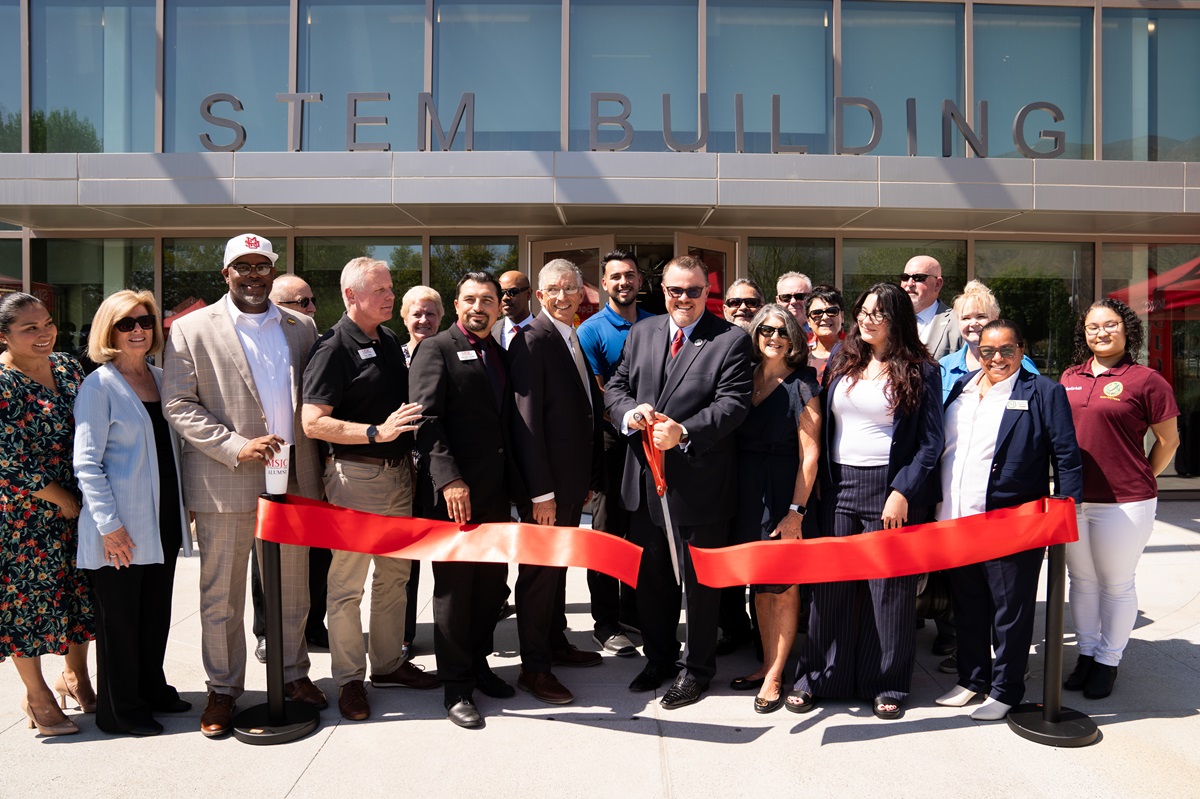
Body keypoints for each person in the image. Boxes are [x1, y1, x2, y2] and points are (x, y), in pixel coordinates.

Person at [163, 233, 326, 738]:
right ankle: (224, 690)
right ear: (225, 274)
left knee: (293, 591)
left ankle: (294, 674)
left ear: (272, 272)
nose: (253, 275)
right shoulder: (189, 329)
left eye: (262, 266)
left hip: (292, 477)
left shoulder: (301, 326)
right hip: (225, 478)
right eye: (243, 267)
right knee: (222, 596)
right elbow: (178, 403)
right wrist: (237, 445)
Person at [604, 254, 753, 709]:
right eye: (674, 290)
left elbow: (734, 404)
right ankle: (660, 658)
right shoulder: (643, 331)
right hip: (646, 483)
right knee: (652, 582)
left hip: (699, 484)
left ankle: (698, 670)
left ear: (706, 293)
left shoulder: (729, 340)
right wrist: (630, 413)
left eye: (693, 291)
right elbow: (616, 386)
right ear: (662, 291)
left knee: (701, 586)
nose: (683, 299)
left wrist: (684, 432)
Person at [790, 282, 943, 720]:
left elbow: (931, 444)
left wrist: (902, 491)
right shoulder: (843, 359)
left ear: (898, 318)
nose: (867, 318)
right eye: (864, 311)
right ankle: (820, 677)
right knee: (831, 587)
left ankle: (887, 682)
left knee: (888, 592)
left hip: (889, 489)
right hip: (839, 487)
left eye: (879, 312)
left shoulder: (921, 369)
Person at [301, 258, 438, 722]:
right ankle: (348, 680)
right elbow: (313, 421)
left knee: (395, 577)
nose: (389, 295)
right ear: (350, 296)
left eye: (389, 287)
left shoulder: (389, 339)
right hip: (356, 480)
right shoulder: (333, 347)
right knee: (347, 586)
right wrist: (376, 432)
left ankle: (387, 664)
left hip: (400, 477)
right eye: (379, 289)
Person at [934, 320, 1082, 720]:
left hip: (1010, 522)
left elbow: (1065, 454)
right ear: (977, 351)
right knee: (967, 607)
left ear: (1022, 350)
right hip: (956, 518)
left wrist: (1066, 509)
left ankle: (1006, 689)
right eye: (987, 351)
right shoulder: (961, 388)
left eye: (1006, 350)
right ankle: (972, 679)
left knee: (1009, 610)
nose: (996, 358)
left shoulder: (1043, 392)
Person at [410, 271, 528, 729]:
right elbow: (426, 419)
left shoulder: (499, 353)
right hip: (455, 495)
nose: (479, 307)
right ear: (456, 306)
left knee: (491, 588)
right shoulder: (435, 349)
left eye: (488, 300)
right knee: (456, 592)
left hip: (495, 494)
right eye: (469, 299)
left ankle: (479, 667)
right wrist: (449, 480)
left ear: (501, 306)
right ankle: (456, 687)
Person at [73, 291, 192, 737]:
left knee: (154, 613)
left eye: (145, 320)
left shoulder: (163, 378)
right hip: (119, 526)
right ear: (109, 331)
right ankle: (120, 711)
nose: (138, 329)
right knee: (120, 622)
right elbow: (86, 462)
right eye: (126, 323)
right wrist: (108, 525)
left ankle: (151, 689)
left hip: (160, 520)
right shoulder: (98, 385)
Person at [1060, 298, 1180, 700]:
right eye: (1093, 327)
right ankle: (1087, 654)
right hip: (1074, 501)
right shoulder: (1068, 377)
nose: (1101, 333)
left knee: (1115, 583)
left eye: (1110, 325)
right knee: (1082, 580)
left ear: (1127, 329)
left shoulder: (1146, 380)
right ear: (1084, 333)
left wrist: (1144, 473)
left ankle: (1108, 661)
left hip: (1125, 502)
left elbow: (1169, 440)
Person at [508, 259, 604, 705]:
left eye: (570, 288)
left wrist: (582, 480)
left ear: (582, 292)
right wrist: (542, 493)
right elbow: (527, 423)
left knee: (557, 567)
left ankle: (555, 642)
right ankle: (534, 667)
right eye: (553, 290)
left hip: (569, 484)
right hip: (545, 491)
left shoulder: (571, 335)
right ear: (540, 296)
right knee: (538, 576)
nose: (563, 296)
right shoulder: (532, 339)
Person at [0, 292, 94, 737]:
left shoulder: (68, 367)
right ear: (4, 336)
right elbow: (9, 458)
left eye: (47, 323)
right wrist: (62, 499)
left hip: (78, 502)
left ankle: (75, 678)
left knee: (78, 595)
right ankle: (36, 696)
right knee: (30, 606)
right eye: (29, 328)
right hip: (25, 515)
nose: (44, 333)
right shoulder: (2, 383)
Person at [727, 304, 821, 714]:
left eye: (782, 331)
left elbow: (810, 452)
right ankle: (766, 663)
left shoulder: (803, 383)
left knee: (782, 589)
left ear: (794, 339)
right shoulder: (742, 377)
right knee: (759, 588)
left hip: (784, 496)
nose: (774, 337)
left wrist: (796, 511)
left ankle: (776, 674)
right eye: (765, 329)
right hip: (746, 496)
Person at [248, 274, 328, 659]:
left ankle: (312, 625)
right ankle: (266, 631)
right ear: (278, 303)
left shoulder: (305, 332)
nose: (312, 308)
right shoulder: (245, 332)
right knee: (264, 550)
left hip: (300, 458)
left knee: (309, 550)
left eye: (311, 300)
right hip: (255, 458)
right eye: (303, 301)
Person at [577, 249, 652, 658]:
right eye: (615, 277)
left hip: (651, 445)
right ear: (604, 284)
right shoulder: (590, 331)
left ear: (640, 281)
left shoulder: (657, 324)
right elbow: (599, 390)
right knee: (607, 533)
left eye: (630, 275)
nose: (624, 282)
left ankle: (634, 611)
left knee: (644, 532)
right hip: (611, 444)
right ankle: (604, 622)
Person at [716, 276, 766, 654]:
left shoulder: (773, 349)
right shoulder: (715, 346)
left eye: (750, 303)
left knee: (760, 556)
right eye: (733, 302)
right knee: (726, 553)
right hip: (718, 468)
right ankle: (732, 626)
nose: (741, 309)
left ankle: (766, 629)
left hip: (761, 472)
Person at [399, 284, 445, 658]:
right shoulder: (392, 358)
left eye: (431, 313)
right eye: (416, 313)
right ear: (404, 317)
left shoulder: (451, 353)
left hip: (444, 474)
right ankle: (403, 634)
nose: (424, 319)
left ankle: (456, 633)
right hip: (404, 474)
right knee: (405, 563)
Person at [939, 281, 1039, 401]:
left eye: (981, 316)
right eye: (966, 318)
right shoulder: (944, 367)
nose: (973, 323)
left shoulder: (1020, 362)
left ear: (995, 318)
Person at [901, 255, 961, 360]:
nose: (909, 284)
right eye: (905, 277)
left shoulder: (958, 322)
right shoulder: (890, 319)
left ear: (937, 284)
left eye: (918, 278)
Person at [804, 285, 845, 383]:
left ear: (842, 316)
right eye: (817, 313)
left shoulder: (855, 356)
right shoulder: (801, 358)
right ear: (808, 321)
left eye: (832, 311)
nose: (825, 317)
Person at [493, 269, 534, 350]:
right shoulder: (489, 332)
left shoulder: (546, 334)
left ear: (528, 293)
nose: (505, 298)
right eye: (501, 293)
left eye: (512, 292)